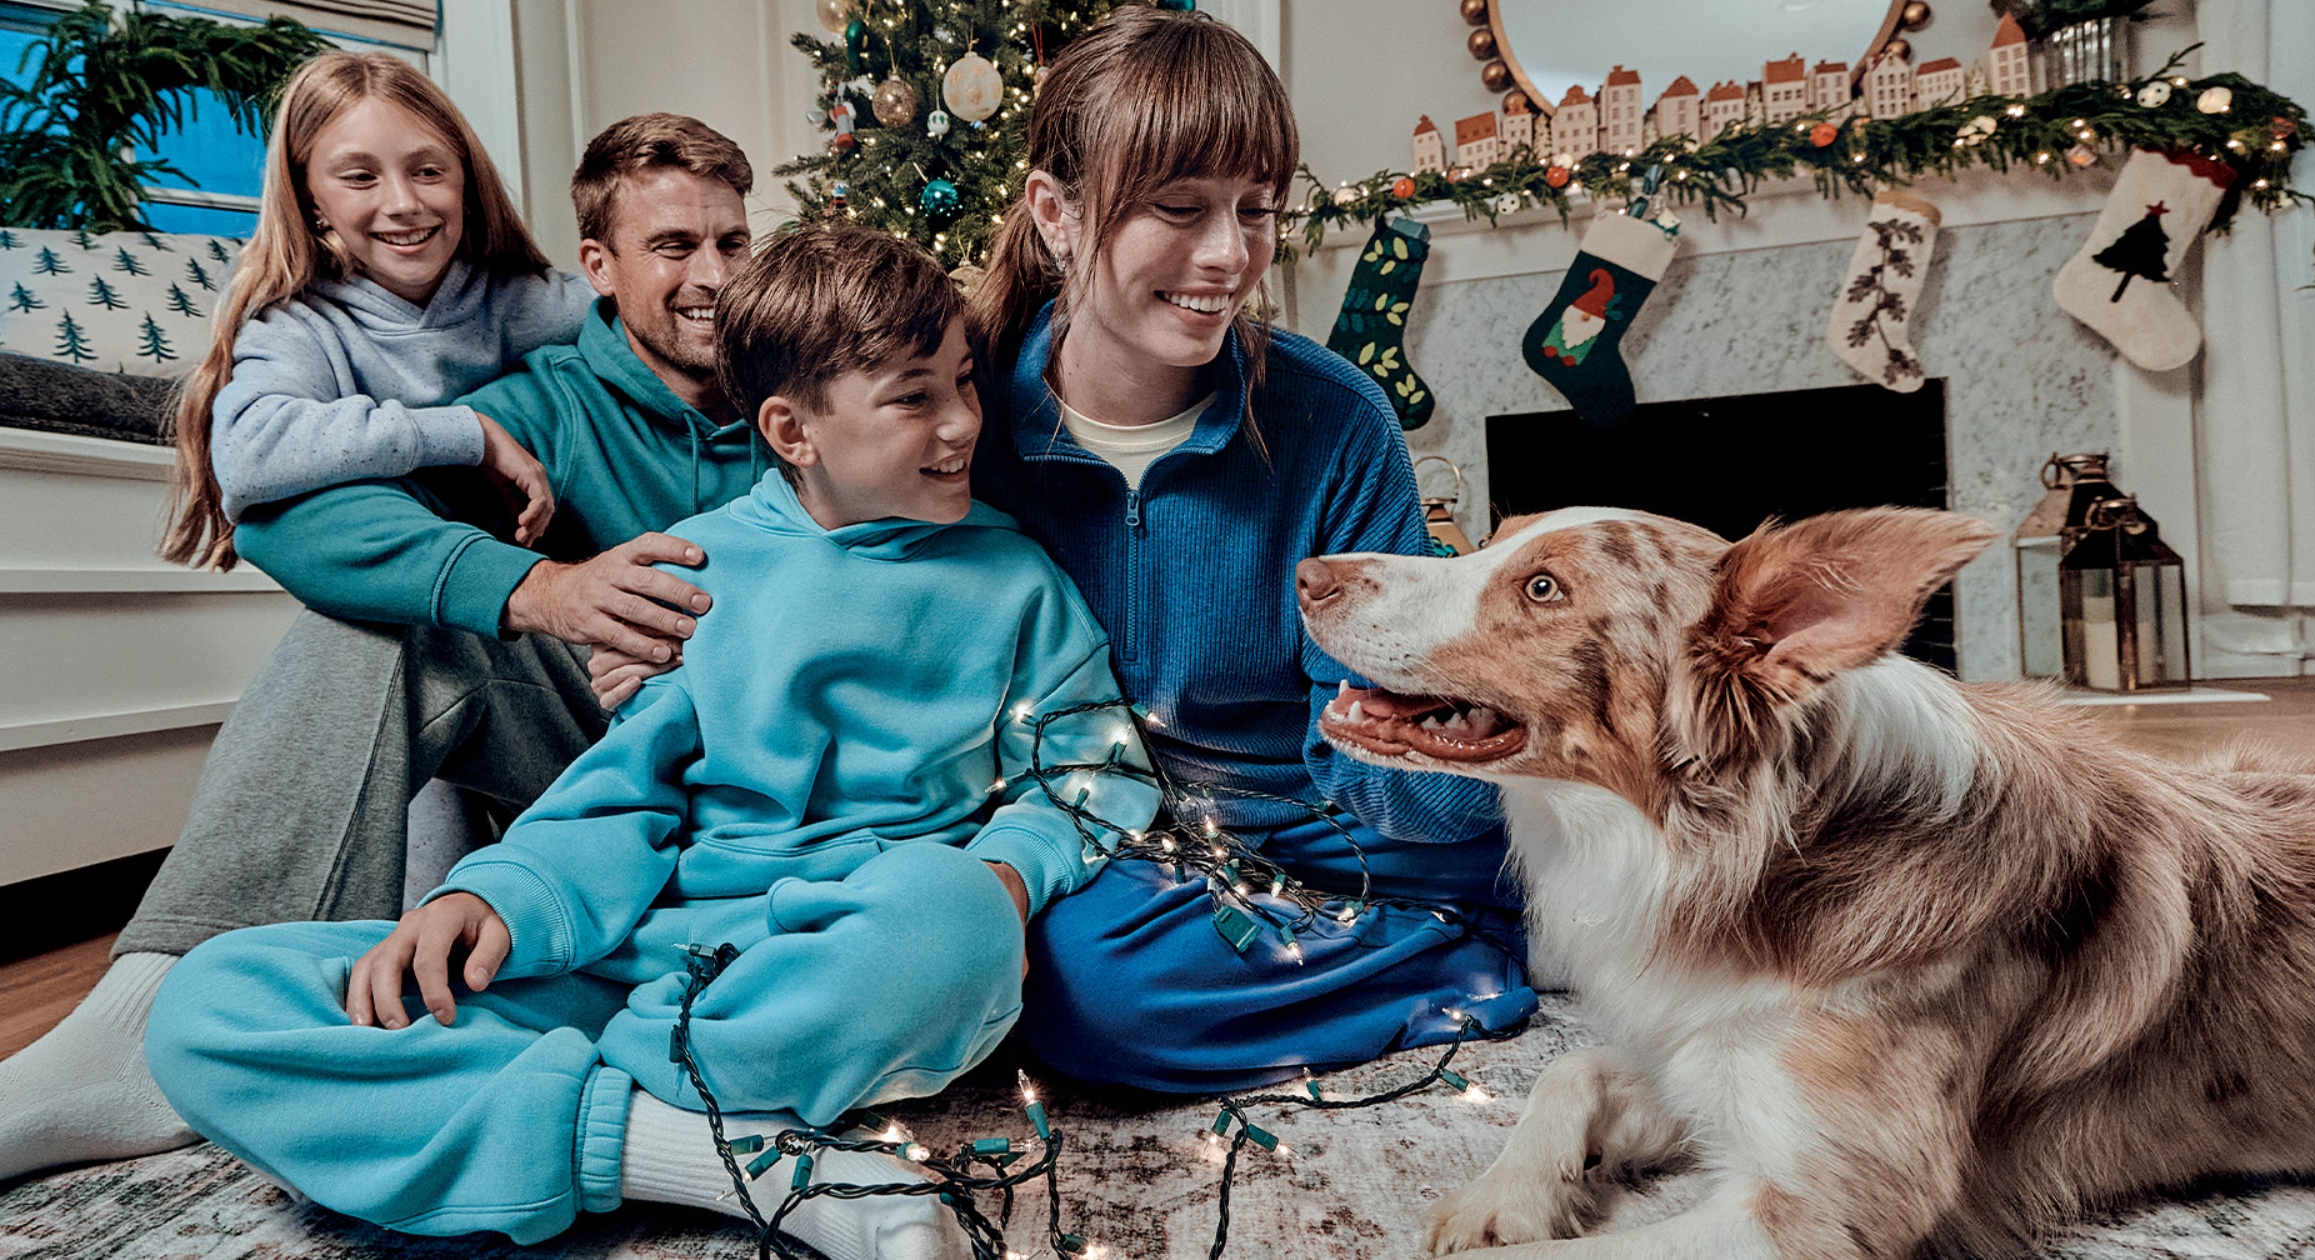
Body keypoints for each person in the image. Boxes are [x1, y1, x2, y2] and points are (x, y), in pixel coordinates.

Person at [145, 226, 1157, 1260]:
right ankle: (696, 1146)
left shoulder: (1017, 579)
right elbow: (625, 793)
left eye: (964, 384)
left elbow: (1095, 772)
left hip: (840, 956)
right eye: (915, 397)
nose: (962, 424)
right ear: (791, 430)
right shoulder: (694, 566)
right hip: (644, 949)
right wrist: (492, 895)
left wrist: (1006, 872)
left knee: (957, 922)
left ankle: (569, 1104)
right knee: (206, 1005)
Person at [594, 7, 1539, 1096]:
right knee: (1082, 997)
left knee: (1555, 842)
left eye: (1256, 210)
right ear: (1054, 210)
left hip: (1332, 817)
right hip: (1117, 843)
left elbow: (1372, 737)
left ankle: (1458, 925)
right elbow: (810, 546)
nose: (1228, 255)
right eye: (1179, 210)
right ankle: (1445, 959)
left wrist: (1487, 758)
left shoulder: (1335, 422)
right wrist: (678, 645)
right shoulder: (954, 413)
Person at [0, 113, 754, 1184]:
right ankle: (153, 1009)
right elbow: (292, 521)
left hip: (783, 775)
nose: (713, 276)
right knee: (377, 623)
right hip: (604, 768)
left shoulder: (800, 391)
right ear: (601, 266)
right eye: (675, 247)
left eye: (732, 242)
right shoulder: (543, 405)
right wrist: (542, 588)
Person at [163, 50, 588, 572]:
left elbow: (649, 315)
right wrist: (468, 433)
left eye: (429, 171)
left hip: (546, 568)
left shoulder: (523, 301)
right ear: (311, 200)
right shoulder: (301, 324)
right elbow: (246, 453)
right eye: (361, 177)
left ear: (467, 183)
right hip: (396, 582)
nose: (404, 201)